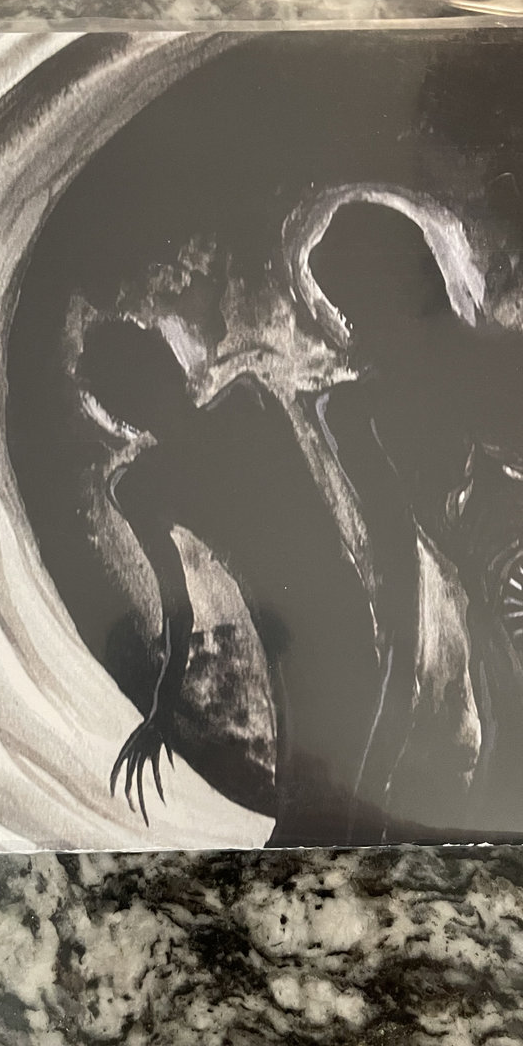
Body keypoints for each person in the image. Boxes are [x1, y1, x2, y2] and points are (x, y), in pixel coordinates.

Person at [304, 196, 523, 838]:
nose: (352, 334)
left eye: (358, 309)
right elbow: (400, 593)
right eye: (346, 314)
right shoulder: (375, 413)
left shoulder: (382, 411)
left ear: (406, 286)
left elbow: (402, 592)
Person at [76, 317, 409, 846]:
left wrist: (163, 710)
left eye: (142, 380)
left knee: (325, 803)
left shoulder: (238, 410)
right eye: (132, 392)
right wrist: (162, 710)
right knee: (316, 805)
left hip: (325, 611)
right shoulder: (156, 474)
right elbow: (179, 608)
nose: (148, 400)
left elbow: (310, 518)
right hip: (303, 624)